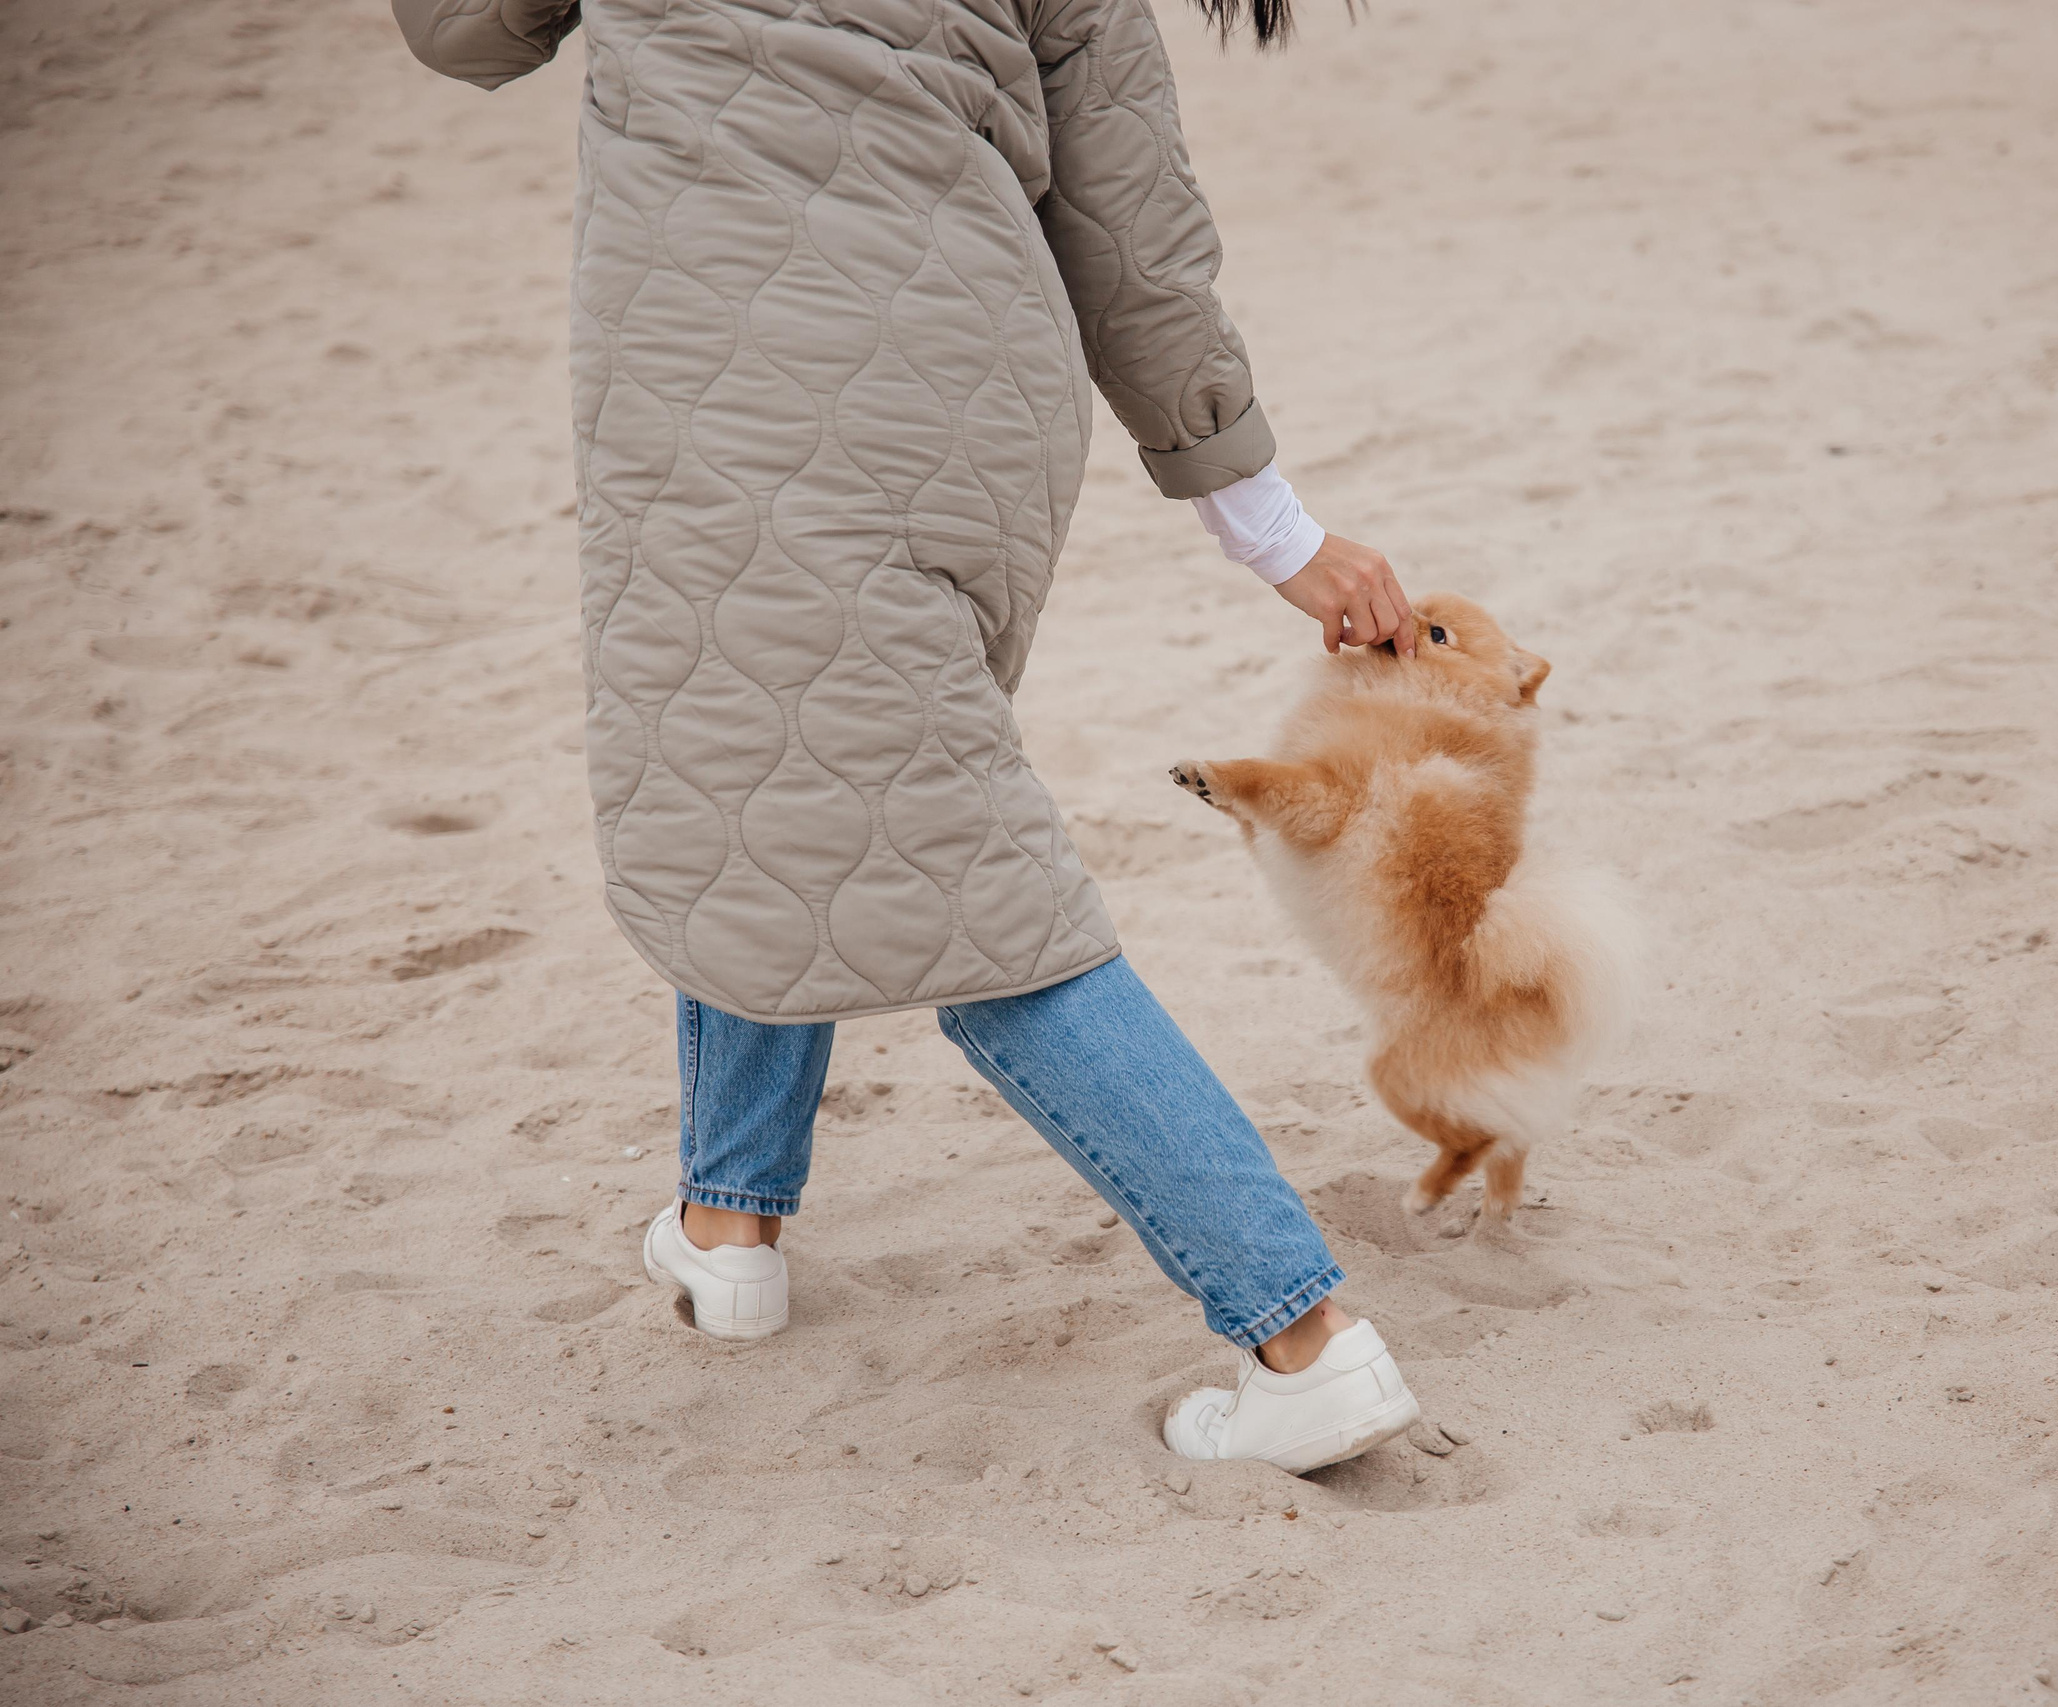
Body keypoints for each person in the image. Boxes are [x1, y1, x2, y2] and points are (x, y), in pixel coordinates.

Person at [391, 0, 1422, 1472]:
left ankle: (1300, 1337)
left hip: (736, 402)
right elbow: (1132, 210)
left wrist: (1280, 533)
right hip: (980, 402)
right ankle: (726, 1219)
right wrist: (1265, 520)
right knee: (783, 787)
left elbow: (461, 33)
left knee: (947, 880)